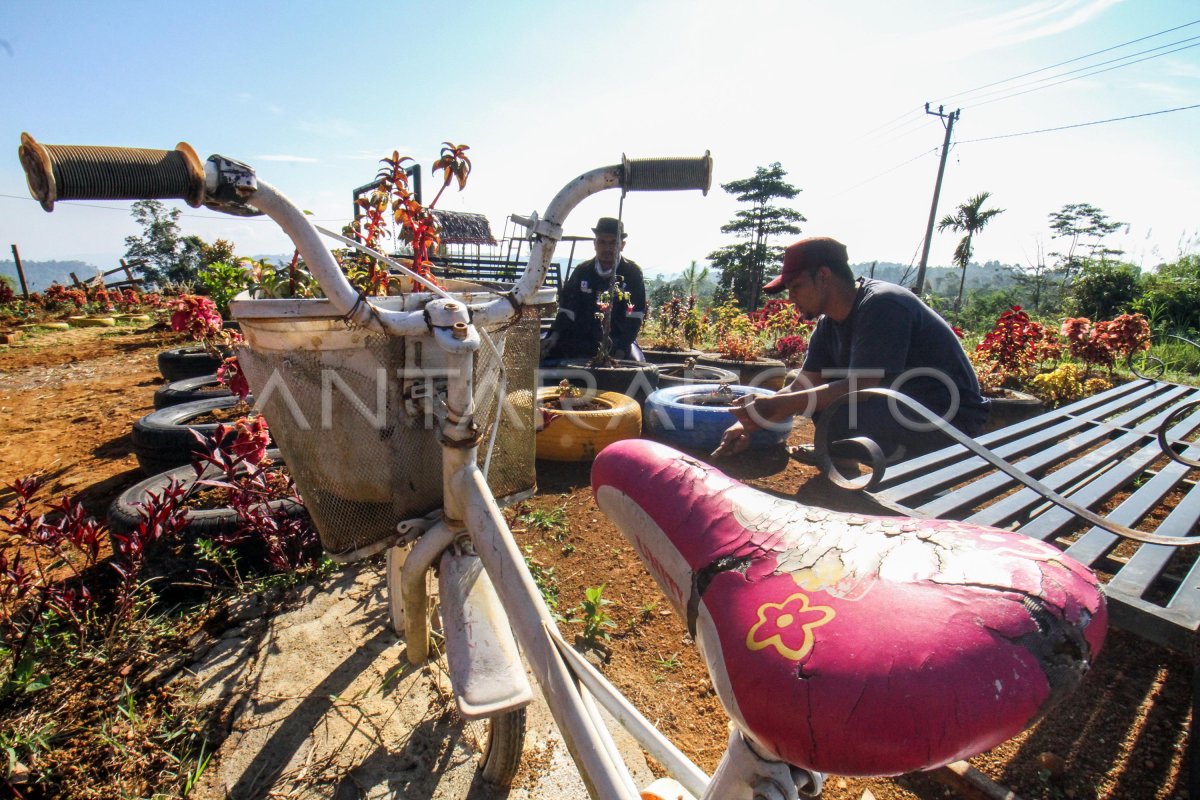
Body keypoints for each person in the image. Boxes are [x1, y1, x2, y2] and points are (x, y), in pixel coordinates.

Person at [714, 236, 989, 462]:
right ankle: (855, 448)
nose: (791, 297)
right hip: (903, 407)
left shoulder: (883, 304)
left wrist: (776, 405)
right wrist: (747, 423)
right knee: (813, 394)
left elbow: (862, 386)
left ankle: (893, 454)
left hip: (949, 419)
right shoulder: (828, 323)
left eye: (796, 286)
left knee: (838, 411)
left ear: (823, 276)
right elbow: (802, 386)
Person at [541, 217, 647, 361]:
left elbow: (634, 316)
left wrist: (621, 349)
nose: (607, 248)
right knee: (545, 356)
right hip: (580, 338)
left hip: (616, 340)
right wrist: (554, 336)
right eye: (602, 242)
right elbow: (567, 310)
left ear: (622, 245)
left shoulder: (632, 273)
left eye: (613, 243)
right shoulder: (582, 271)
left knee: (634, 368)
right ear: (595, 244)